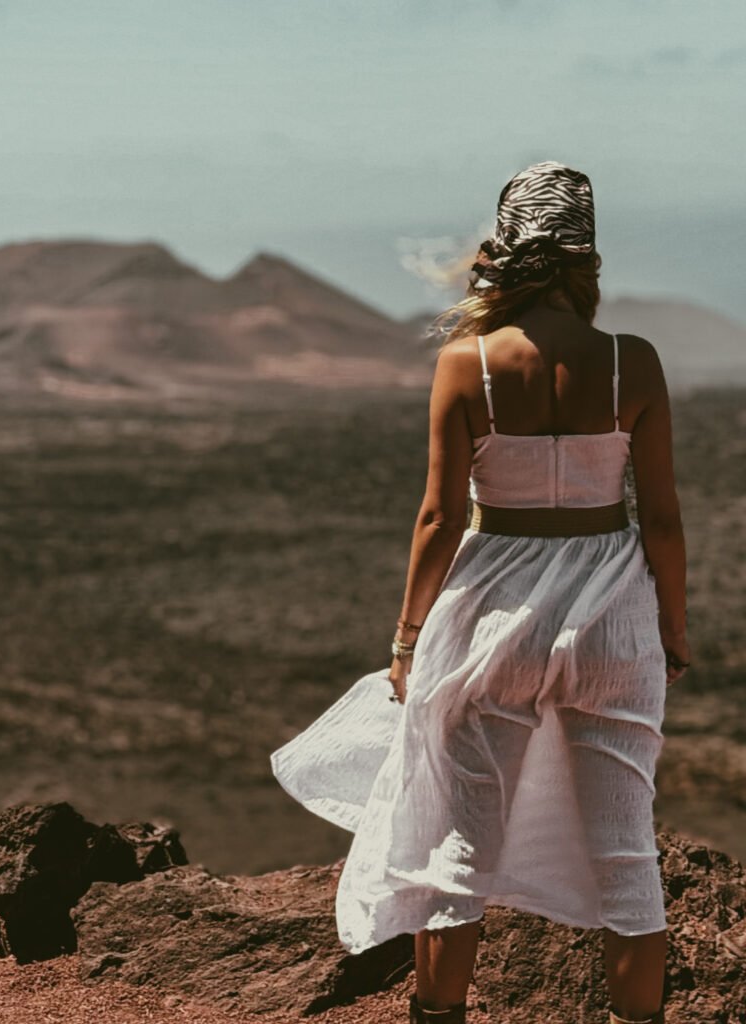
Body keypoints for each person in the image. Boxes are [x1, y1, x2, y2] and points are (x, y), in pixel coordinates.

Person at [270, 161, 688, 1024]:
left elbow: (435, 518)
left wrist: (406, 638)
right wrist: (672, 630)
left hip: (488, 621)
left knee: (456, 857)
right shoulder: (633, 364)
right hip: (612, 622)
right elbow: (665, 522)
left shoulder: (470, 366)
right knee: (627, 858)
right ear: (588, 261)